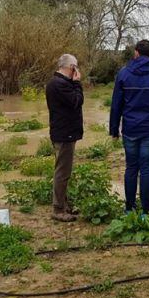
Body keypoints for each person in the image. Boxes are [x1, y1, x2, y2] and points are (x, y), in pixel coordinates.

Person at [109, 39, 149, 215]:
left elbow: (116, 104)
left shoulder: (123, 73)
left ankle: (129, 208)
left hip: (130, 129)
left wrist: (114, 130)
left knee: (131, 167)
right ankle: (147, 209)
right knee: (146, 168)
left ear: (136, 53)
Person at [45, 53, 84, 222]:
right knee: (62, 172)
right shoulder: (60, 84)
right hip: (64, 133)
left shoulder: (58, 83)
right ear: (71, 67)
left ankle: (63, 205)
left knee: (63, 170)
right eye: (75, 67)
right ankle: (58, 209)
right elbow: (77, 101)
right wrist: (77, 83)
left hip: (63, 131)